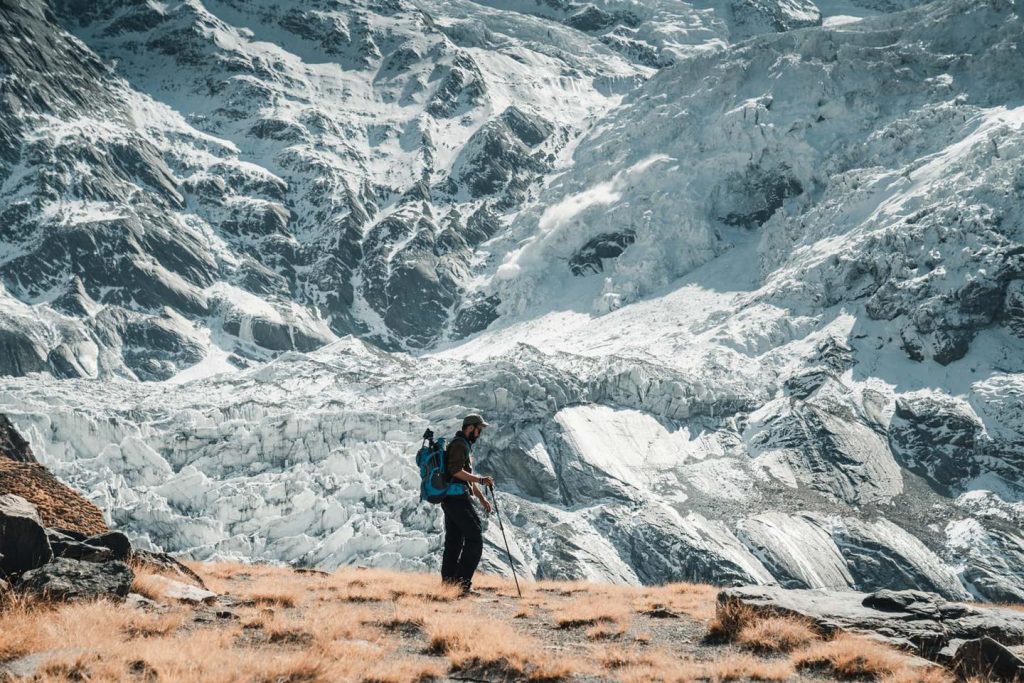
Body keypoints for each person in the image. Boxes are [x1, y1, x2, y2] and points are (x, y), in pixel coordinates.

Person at [441, 413, 495, 595]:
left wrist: (482, 498)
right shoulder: (459, 445)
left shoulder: (461, 444)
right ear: (470, 428)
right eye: (479, 430)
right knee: (475, 536)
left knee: (454, 541)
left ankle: (449, 585)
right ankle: (462, 584)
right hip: (456, 499)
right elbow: (456, 471)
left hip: (450, 498)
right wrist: (480, 480)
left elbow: (464, 477)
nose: (479, 434)